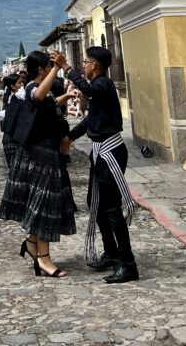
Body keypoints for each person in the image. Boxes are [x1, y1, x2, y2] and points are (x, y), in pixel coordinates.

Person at [59, 46, 138, 284]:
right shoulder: (98, 89)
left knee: (112, 208)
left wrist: (67, 68)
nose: (83, 66)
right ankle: (111, 252)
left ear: (94, 65)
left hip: (110, 151)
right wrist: (70, 137)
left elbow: (88, 89)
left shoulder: (103, 85)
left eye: (85, 62)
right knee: (97, 204)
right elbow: (91, 120)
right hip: (100, 152)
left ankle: (128, 264)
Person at [0, 50, 76, 278]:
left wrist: (67, 96)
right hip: (39, 154)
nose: (52, 69)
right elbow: (39, 97)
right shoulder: (33, 87)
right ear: (42, 69)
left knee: (42, 201)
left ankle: (32, 244)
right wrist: (58, 67)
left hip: (46, 152)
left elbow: (49, 103)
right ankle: (43, 258)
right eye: (49, 66)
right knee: (43, 204)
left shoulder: (39, 89)